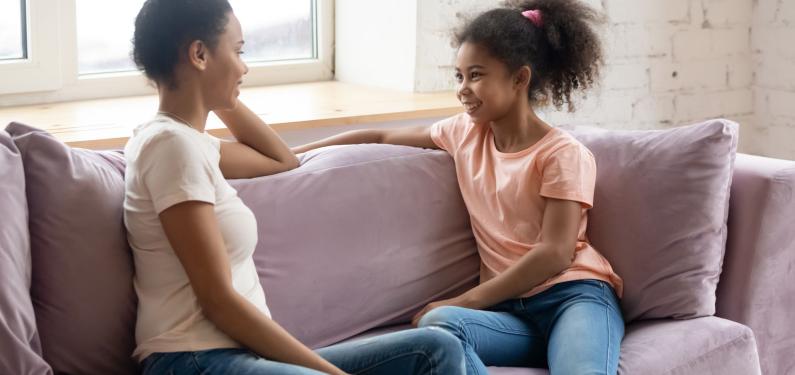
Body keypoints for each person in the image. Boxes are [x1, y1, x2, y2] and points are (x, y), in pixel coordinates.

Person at [124, 0, 466, 374]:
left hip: (239, 356)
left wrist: (216, 93)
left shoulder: (192, 143)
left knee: (436, 348)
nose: (245, 66)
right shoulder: (170, 147)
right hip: (194, 359)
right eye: (238, 52)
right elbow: (217, 300)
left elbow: (281, 161)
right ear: (199, 53)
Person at [292, 1, 624, 374]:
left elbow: (555, 253)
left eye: (476, 75)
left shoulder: (563, 154)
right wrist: (294, 156)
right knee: (441, 326)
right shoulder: (463, 132)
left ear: (520, 78)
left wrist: (466, 299)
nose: (463, 90)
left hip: (572, 298)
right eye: (459, 76)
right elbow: (380, 134)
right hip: (509, 313)